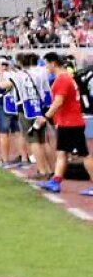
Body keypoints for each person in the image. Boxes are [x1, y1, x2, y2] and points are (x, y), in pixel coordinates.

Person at [36, 52, 93, 196]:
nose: (46, 67)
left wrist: (46, 116)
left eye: (47, 64)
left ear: (53, 63)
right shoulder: (68, 78)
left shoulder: (62, 80)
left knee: (83, 154)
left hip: (70, 123)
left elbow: (58, 101)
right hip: (69, 122)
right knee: (62, 153)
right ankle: (55, 181)